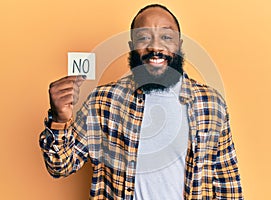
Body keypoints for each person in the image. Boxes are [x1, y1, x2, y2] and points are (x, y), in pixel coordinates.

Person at [40, 4, 243, 200]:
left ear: (179, 45)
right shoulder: (103, 102)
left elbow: (228, 186)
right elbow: (60, 166)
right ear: (132, 47)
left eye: (166, 36)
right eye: (144, 37)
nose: (155, 46)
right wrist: (60, 119)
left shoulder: (211, 104)